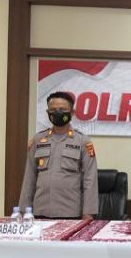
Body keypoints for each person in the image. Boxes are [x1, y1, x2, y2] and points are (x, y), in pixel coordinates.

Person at [18, 91, 99, 220]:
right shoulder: (38, 140)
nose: (58, 113)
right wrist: (23, 210)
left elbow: (90, 179)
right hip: (40, 212)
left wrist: (88, 213)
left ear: (72, 113)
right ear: (47, 113)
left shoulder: (83, 141)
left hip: (70, 213)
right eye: (53, 110)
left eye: (62, 109)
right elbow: (29, 176)